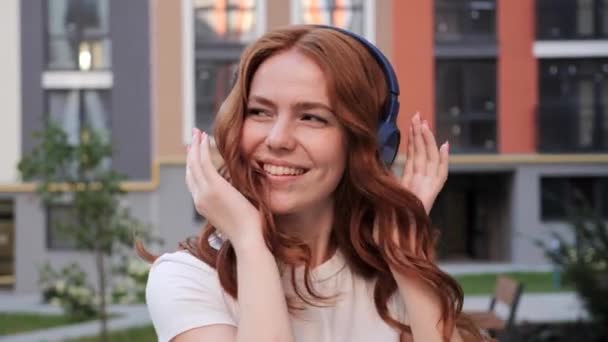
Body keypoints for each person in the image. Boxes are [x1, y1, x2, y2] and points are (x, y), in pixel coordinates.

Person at [140, 25, 486, 342]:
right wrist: (249, 240)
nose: (278, 139)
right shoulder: (187, 279)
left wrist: (403, 246)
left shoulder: (392, 270)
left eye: (311, 117)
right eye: (260, 111)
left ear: (368, 144)